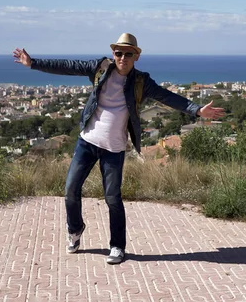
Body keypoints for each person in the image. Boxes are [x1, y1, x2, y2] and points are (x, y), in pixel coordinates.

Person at [13, 33, 225, 264]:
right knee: (70, 190)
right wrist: (33, 63)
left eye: (128, 53)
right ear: (113, 54)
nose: (122, 57)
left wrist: (196, 110)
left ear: (136, 57)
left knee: (112, 198)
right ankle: (75, 229)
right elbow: (67, 66)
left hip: (113, 149)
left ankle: (117, 246)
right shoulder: (99, 68)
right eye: (118, 53)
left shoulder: (142, 83)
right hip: (87, 141)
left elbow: (168, 97)